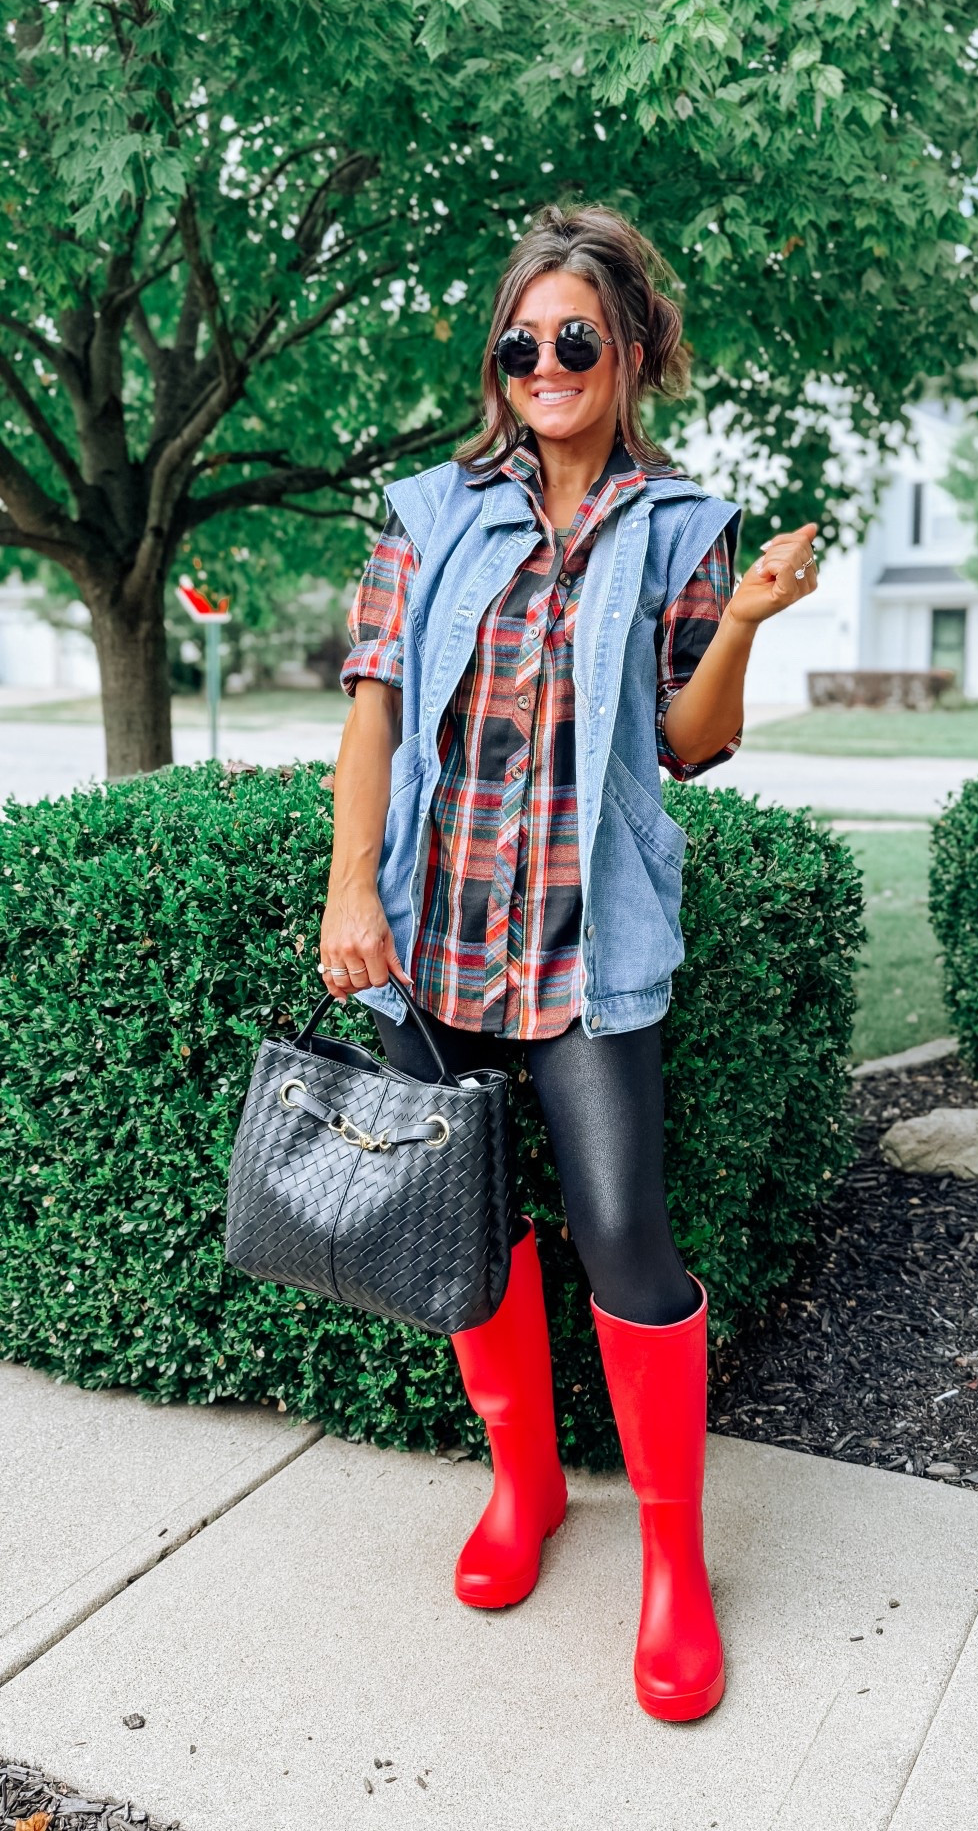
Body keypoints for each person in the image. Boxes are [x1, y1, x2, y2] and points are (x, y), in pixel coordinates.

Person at [320, 202, 818, 1723]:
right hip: (436, 945)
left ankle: (674, 1566)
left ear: (634, 353)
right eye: (520, 343)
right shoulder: (427, 514)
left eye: (576, 340)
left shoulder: (681, 525)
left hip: (588, 953)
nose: (545, 363)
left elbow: (694, 740)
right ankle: (523, 1492)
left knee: (628, 1248)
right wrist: (354, 893)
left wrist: (735, 621)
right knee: (461, 1230)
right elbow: (375, 712)